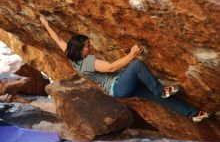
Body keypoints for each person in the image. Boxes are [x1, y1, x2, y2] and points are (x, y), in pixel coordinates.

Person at [39, 15, 213, 122]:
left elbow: (58, 40)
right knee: (137, 65)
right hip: (118, 86)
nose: (89, 47)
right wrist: (132, 54)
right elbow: (110, 67)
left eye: (88, 44)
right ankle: (161, 90)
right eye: (86, 46)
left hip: (120, 87)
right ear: (79, 50)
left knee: (158, 98)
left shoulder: (71, 55)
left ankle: (193, 113)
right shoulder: (87, 63)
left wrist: (45, 24)